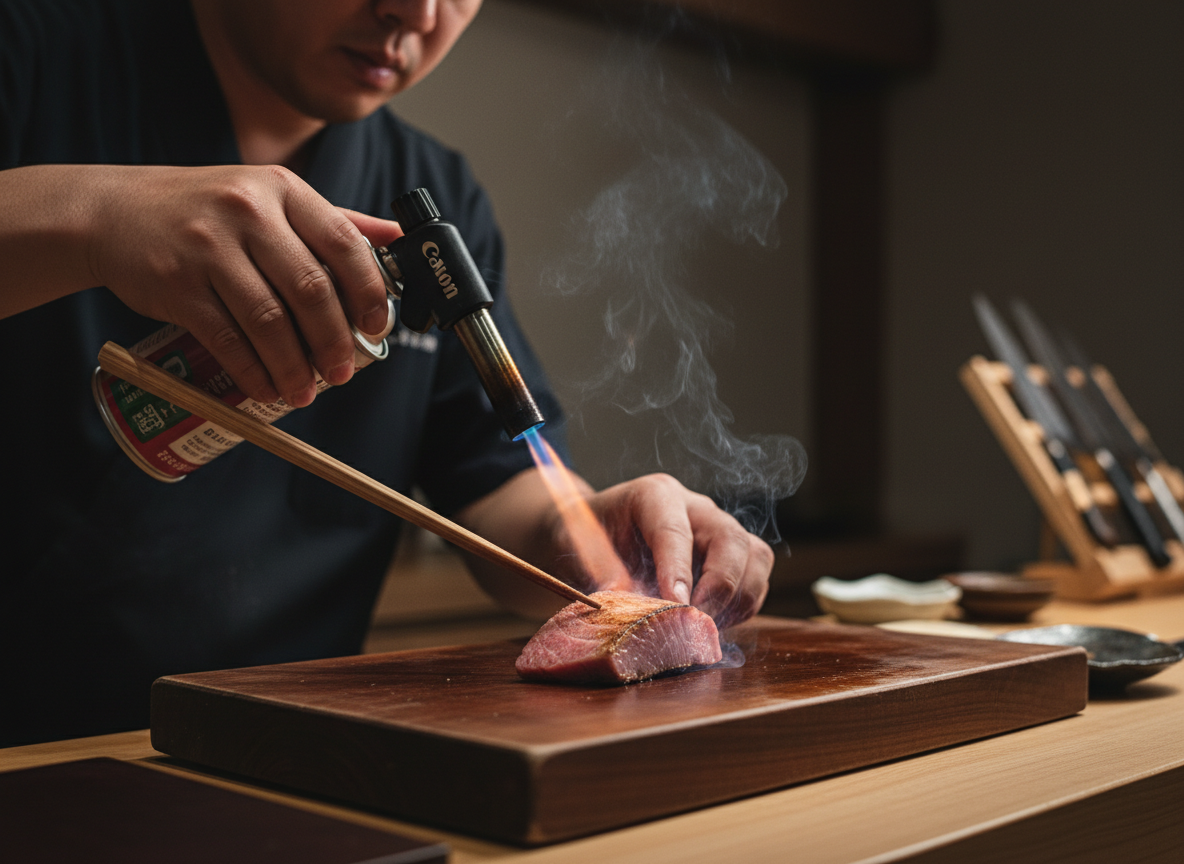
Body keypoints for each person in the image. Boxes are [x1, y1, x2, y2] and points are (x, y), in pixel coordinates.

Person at [0, 0, 775, 747]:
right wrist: (94, 219)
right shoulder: (33, 48)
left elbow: (500, 485)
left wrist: (595, 532)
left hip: (288, 755)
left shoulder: (432, 200)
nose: (416, 11)